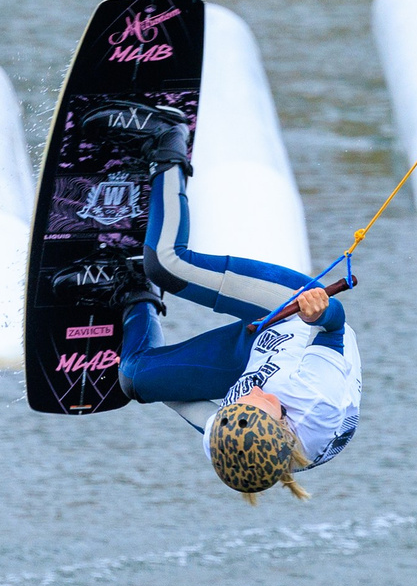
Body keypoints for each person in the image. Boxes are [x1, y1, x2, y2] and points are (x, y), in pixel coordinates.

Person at [115, 112, 360, 502]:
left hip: (256, 352)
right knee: (166, 264)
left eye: (240, 399)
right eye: (260, 401)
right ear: (284, 427)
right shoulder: (318, 402)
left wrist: (163, 381)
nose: (253, 391)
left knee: (134, 381)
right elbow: (336, 328)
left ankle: (132, 289)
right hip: (297, 319)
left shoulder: (226, 434)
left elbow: (177, 399)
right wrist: (319, 311)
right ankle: (167, 140)